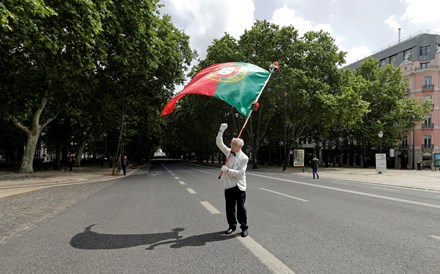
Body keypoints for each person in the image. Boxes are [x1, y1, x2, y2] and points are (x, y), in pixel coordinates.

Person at [216, 123, 249, 237]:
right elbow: (219, 143)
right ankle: (232, 226)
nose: (231, 145)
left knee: (241, 209)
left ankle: (244, 227)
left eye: (233, 144)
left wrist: (227, 170)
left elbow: (240, 174)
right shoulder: (229, 152)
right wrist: (221, 130)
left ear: (239, 146)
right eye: (231, 144)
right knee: (229, 208)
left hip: (239, 186)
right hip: (229, 185)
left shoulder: (244, 158)